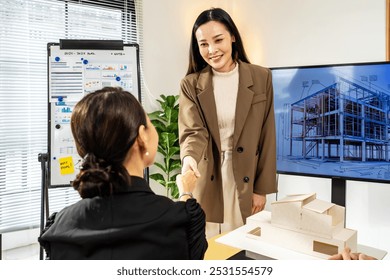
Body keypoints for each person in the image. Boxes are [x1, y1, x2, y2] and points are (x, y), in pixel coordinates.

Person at [38, 87, 208, 260]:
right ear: (142, 137)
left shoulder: (58, 228)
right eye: (150, 123)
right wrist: (185, 193)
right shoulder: (179, 221)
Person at [179, 7, 277, 237]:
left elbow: (267, 136)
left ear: (233, 36)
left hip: (245, 176)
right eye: (203, 44)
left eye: (218, 40)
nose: (211, 50)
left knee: (243, 244)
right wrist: (189, 160)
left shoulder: (261, 77)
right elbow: (193, 132)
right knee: (207, 242)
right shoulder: (191, 84)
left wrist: (261, 189)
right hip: (207, 176)